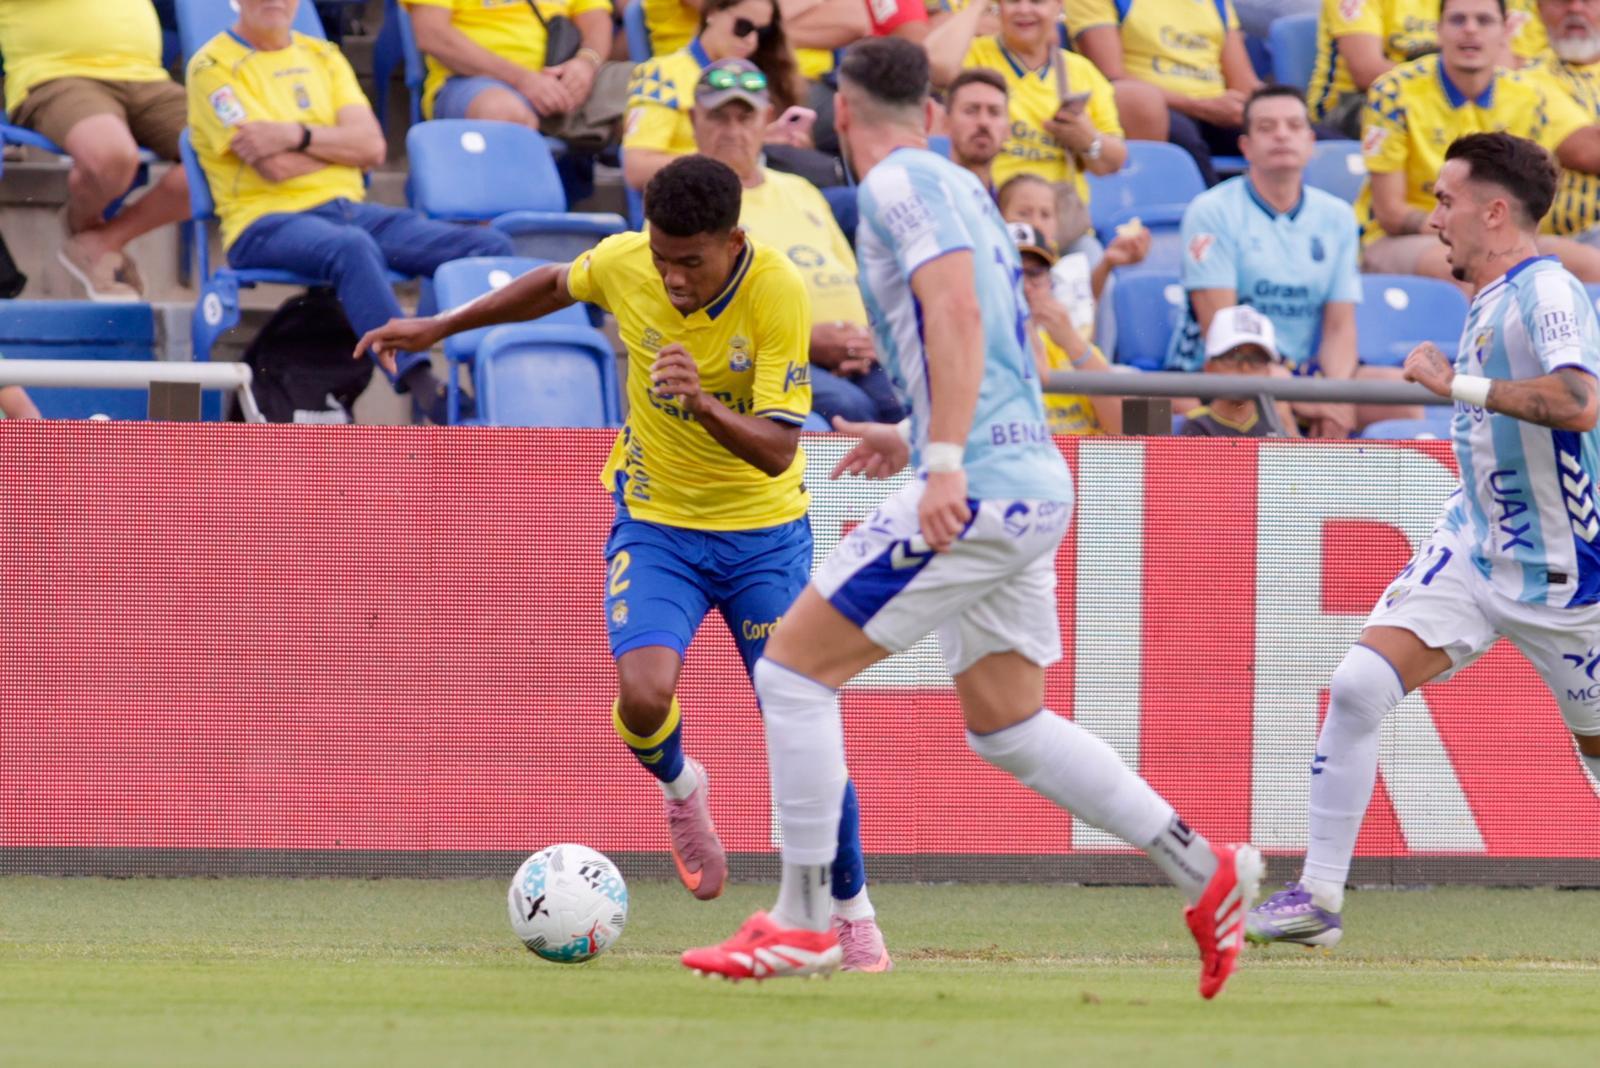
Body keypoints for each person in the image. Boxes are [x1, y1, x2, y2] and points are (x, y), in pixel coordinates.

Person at [679, 37, 1262, 994]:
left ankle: (804, 921)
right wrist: (919, 433)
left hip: (979, 484)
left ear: (840, 115)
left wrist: (942, 460)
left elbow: (954, 313)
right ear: (934, 114)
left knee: (791, 671)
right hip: (1029, 475)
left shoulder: (896, 184)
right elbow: (1000, 341)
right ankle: (1204, 868)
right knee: (1008, 722)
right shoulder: (962, 187)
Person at [353, 155, 891, 972]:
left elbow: (781, 451)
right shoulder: (628, 261)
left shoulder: (776, 291)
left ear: (733, 243)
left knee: (799, 724)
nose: (671, 278)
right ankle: (682, 790)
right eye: (662, 256)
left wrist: (699, 402)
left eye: (690, 262)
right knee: (642, 698)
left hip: (763, 538)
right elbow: (551, 284)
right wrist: (437, 326)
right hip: (657, 527)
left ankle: (851, 914)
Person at [1249, 131, 1600, 949]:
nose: (1434, 218)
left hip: (1564, 578)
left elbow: (1580, 401)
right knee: (1357, 687)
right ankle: (1318, 900)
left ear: (1495, 212)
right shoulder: (1489, 292)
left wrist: (1457, 384)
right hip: (1473, 546)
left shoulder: (1548, 291)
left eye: (1446, 201)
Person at [187, 0, 513, 425]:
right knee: (351, 248)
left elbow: (373, 147)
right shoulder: (212, 66)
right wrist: (341, 151)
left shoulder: (323, 54)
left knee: (488, 247)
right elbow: (275, 167)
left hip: (346, 210)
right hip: (262, 221)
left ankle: (491, 385)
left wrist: (295, 135)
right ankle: (421, 382)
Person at [1167, 85, 1404, 438]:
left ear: (1311, 142)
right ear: (1245, 147)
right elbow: (1222, 329)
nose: (1281, 135)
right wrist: (1291, 391)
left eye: (1293, 126)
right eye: (1267, 127)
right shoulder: (1211, 211)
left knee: (1401, 395)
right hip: (1221, 371)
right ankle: (1301, 475)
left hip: (1302, 375)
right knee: (1269, 401)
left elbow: (1340, 327)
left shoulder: (1337, 215)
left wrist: (1335, 395)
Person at [691, 60, 904, 425]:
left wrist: (870, 340)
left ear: (766, 120)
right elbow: (697, 318)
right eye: (719, 118)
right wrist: (804, 342)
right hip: (767, 360)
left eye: (745, 118)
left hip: (857, 354)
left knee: (915, 401)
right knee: (851, 409)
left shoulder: (801, 189)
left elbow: (857, 280)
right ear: (693, 120)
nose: (733, 131)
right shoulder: (686, 198)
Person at [1359, 0, 1600, 287]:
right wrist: (1471, 236)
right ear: (1438, 30)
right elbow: (1390, 212)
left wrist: (1489, 239)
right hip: (1407, 237)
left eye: (1484, 21)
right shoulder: (1393, 91)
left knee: (1592, 266)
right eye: (1458, 20)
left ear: (1506, 31)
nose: (1470, 30)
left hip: (1499, 235)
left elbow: (1528, 199)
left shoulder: (1529, 97)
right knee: (1468, 270)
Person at [0, 0, 190, 301]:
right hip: (56, 75)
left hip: (149, 78)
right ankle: (85, 226)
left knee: (228, 161)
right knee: (111, 156)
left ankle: (103, 242)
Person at [926, 0, 1130, 256]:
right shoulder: (974, 55)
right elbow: (933, 66)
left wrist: (1088, 140)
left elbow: (1114, 161)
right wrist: (978, 5)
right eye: (1013, 1)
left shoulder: (1082, 72)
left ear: (1058, 7)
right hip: (985, 218)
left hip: (1059, 231)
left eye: (1037, 1)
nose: (1024, 10)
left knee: (1091, 256)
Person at [1064, 0, 1262, 186]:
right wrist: (1201, 106)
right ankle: (1205, 210)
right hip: (1152, 107)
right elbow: (1110, 75)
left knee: (1271, 130)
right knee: (1184, 137)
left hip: (1219, 106)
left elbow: (1243, 82)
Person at [623, 0, 809, 192]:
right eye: (743, 27)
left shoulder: (759, 78)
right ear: (712, 12)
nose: (751, 40)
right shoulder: (661, 75)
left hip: (765, 192)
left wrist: (766, 141)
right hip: (697, 199)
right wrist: (729, 156)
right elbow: (637, 168)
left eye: (762, 33)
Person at [406, 0, 631, 146]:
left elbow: (596, 20)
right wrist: (523, 80)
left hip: (567, 76)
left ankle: (649, 208)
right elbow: (432, 33)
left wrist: (586, 63)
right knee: (501, 110)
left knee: (646, 96)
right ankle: (515, 208)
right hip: (473, 80)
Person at [1009, 221, 1122, 435]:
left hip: (1085, 456)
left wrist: (1073, 344)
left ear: (1050, 282)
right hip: (1022, 453)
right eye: (1015, 273)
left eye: (1034, 273)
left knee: (1163, 408)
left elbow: (1130, 432)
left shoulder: (1072, 341)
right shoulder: (979, 346)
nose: (1025, 287)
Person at [1304, 0, 1444, 138]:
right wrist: (1444, 79)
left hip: (1421, 94)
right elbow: (1367, 72)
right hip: (1348, 105)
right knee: (1432, 115)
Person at [1522, 0, 1600, 245]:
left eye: (1587, 0)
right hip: (1575, 237)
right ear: (1540, 9)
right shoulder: (1530, 78)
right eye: (1562, 1)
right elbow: (1587, 150)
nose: (1575, 8)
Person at [1180, 305, 1295, 438]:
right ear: (1209, 367)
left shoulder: (1276, 424)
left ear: (1268, 371)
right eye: (1232, 357)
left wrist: (1287, 427)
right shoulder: (1197, 425)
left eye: (1257, 359)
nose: (1245, 367)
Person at [944, 67, 1010, 197]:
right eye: (971, 110)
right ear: (945, 122)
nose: (983, 122)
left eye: (994, 112)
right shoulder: (923, 198)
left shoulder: (1008, 207)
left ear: (1008, 130)